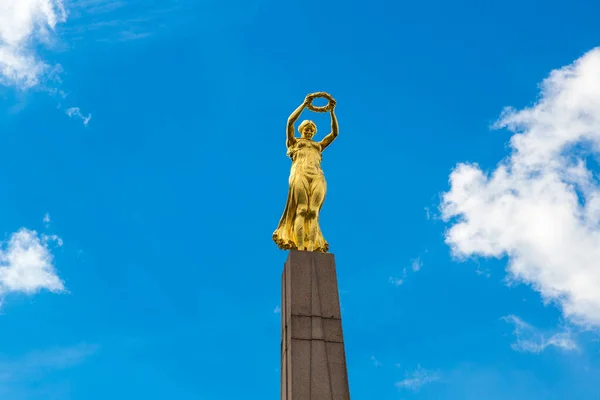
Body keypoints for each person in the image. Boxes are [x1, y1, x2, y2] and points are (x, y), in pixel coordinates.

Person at [272, 93, 339, 252]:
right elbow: (290, 122)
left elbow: (334, 134)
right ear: (302, 130)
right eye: (306, 129)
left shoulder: (318, 146)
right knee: (302, 210)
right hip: (300, 173)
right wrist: (304, 104)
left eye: (311, 130)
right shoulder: (294, 142)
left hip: (317, 175)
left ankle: (311, 248)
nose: (309, 131)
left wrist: (331, 111)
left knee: (313, 212)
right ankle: (301, 249)